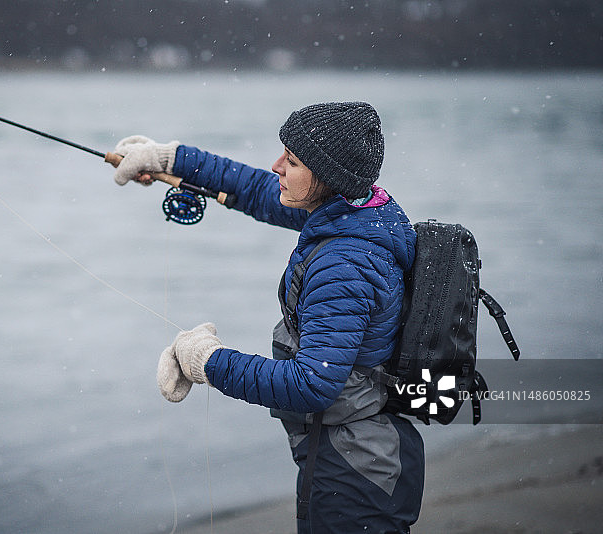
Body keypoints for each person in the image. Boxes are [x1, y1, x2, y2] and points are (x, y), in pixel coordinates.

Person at [112, 102, 424, 533]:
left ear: (328, 178)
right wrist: (172, 159)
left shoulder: (344, 264)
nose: (277, 165)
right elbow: (258, 190)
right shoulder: (361, 212)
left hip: (355, 472)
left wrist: (206, 360)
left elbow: (311, 385)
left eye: (292, 161)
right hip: (366, 452)